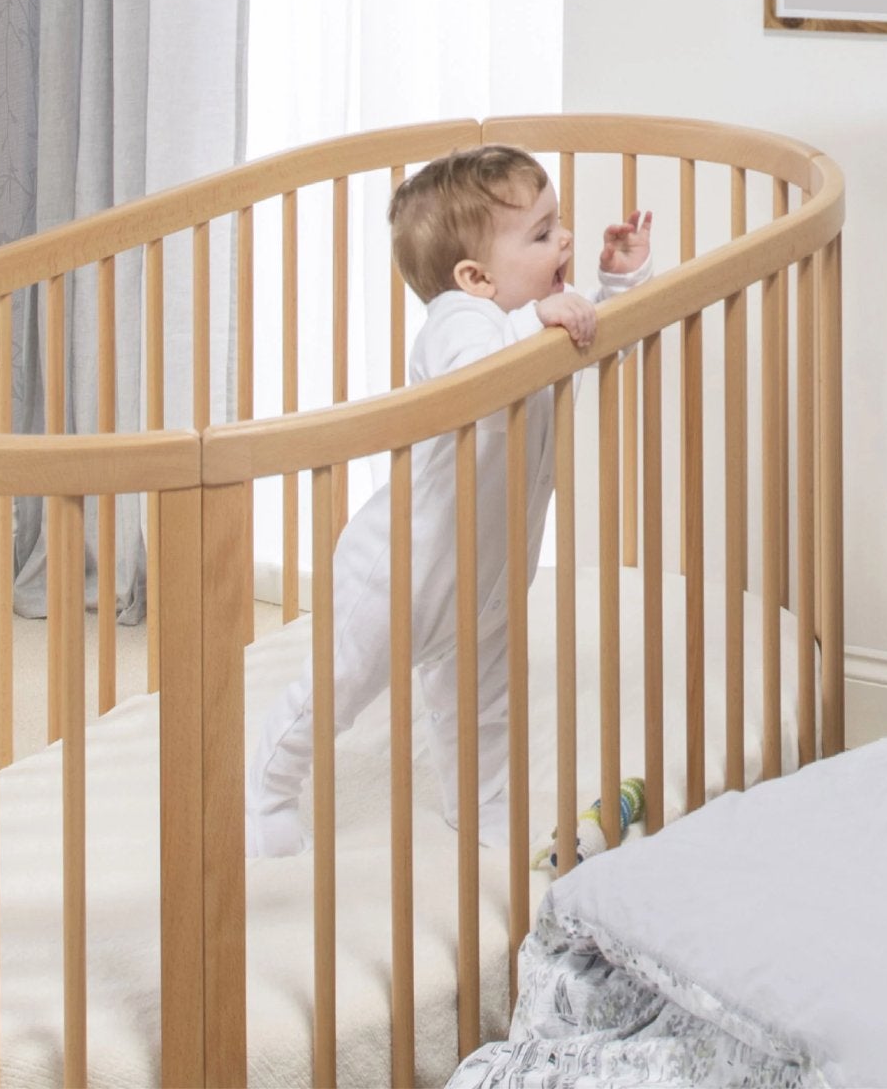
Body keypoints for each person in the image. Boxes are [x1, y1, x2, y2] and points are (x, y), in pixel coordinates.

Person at [247, 145, 653, 857]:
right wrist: (544, 322)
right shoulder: (459, 320)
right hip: (403, 571)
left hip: (488, 579)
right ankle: (264, 791)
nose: (564, 239)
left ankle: (487, 807)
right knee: (336, 689)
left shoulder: (535, 329)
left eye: (560, 223)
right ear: (475, 277)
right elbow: (480, 389)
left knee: (482, 708)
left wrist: (615, 290)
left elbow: (585, 354)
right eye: (540, 233)